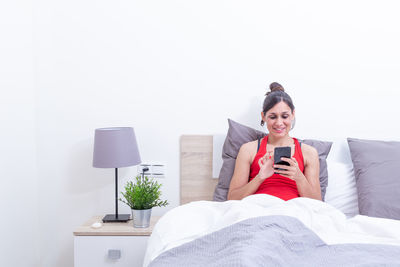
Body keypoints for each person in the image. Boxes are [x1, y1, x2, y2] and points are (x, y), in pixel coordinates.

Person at [227, 82, 322, 201]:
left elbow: (318, 203)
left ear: (293, 115)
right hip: (257, 209)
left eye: (284, 116)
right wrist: (260, 177)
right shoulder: (248, 150)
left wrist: (299, 177)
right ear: (263, 116)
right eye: (273, 117)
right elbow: (232, 198)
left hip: (294, 211)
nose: (279, 123)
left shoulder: (309, 153)